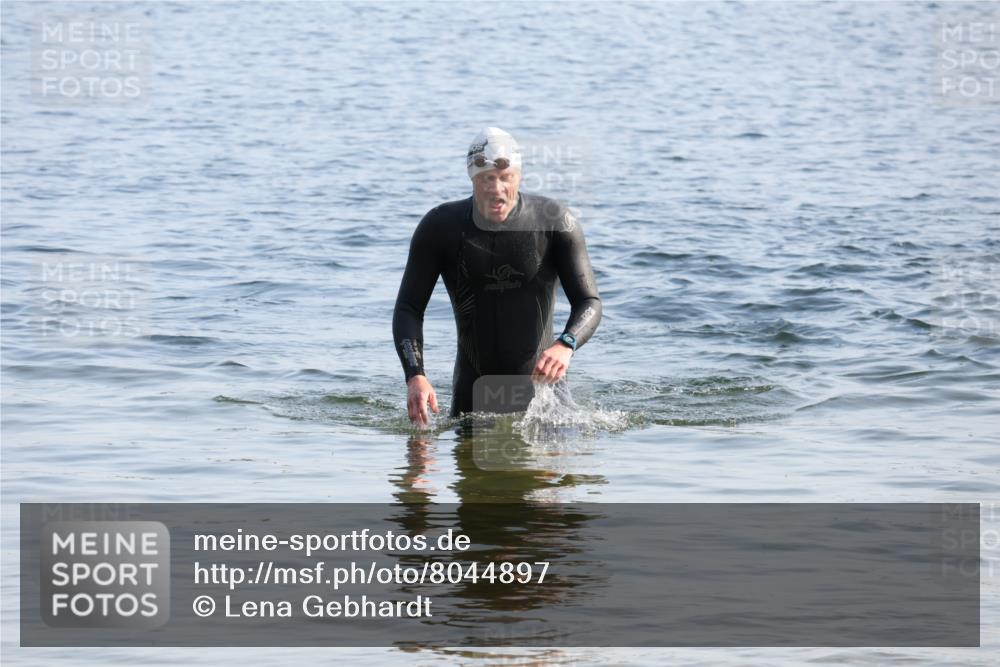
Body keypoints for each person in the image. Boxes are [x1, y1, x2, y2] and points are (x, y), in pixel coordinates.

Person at [393, 127, 601, 426]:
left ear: (519, 175)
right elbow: (409, 308)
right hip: (472, 402)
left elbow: (589, 301)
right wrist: (415, 376)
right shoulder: (441, 227)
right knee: (447, 467)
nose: (497, 188)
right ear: (472, 178)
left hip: (547, 406)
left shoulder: (554, 222)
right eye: (487, 179)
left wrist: (566, 344)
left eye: (506, 178)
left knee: (558, 468)